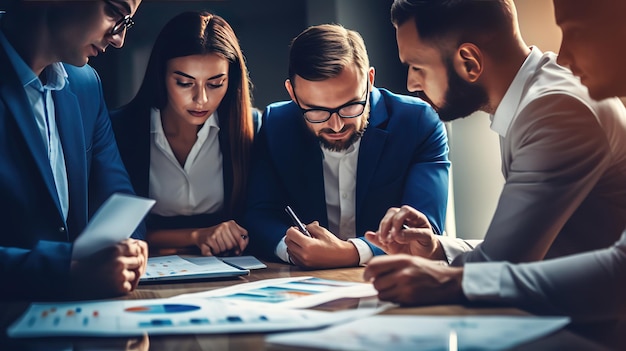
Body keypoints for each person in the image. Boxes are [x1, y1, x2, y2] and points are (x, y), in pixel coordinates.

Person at [364, 0, 626, 322]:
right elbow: (541, 250)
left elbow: (501, 267)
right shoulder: (534, 96)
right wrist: (436, 249)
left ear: (469, 62)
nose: (411, 84)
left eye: (417, 66)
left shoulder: (554, 110)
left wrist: (441, 275)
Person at [244, 24, 450, 269]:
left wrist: (350, 252)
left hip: (394, 277)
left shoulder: (417, 122)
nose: (336, 124)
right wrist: (292, 249)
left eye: (350, 106)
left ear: (370, 80)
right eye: (317, 110)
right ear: (292, 93)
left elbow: (423, 227)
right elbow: (259, 214)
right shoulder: (275, 124)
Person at [0, 0, 148, 299]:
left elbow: (119, 202)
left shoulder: (85, 85)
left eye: (127, 23)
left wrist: (126, 252)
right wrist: (65, 271)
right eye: (115, 12)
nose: (119, 39)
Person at [111, 11, 260, 257]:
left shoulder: (252, 128)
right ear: (161, 75)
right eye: (184, 82)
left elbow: (260, 218)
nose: (201, 99)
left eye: (215, 84)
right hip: (142, 273)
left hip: (230, 271)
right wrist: (196, 236)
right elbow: (114, 229)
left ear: (230, 81)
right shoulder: (120, 129)